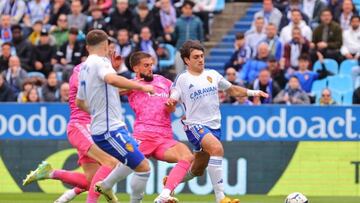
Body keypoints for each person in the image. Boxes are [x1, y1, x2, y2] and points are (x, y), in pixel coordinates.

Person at [167, 40, 268, 203]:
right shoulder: (183, 79)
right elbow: (174, 94)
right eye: (196, 57)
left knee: (198, 170)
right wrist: (171, 101)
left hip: (214, 127)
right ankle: (220, 198)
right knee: (217, 149)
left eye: (202, 56)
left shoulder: (212, 75)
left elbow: (233, 90)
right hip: (195, 125)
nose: (201, 60)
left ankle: (170, 183)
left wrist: (254, 92)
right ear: (187, 60)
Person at [97, 51, 194, 202]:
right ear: (136, 68)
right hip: (143, 135)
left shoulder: (163, 81)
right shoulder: (132, 85)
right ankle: (108, 185)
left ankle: (164, 195)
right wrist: (112, 69)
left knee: (187, 156)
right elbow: (108, 90)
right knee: (138, 166)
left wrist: (178, 108)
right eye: (146, 65)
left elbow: (177, 98)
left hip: (165, 138)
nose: (150, 68)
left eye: (151, 65)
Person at [76, 29, 155, 202]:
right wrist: (141, 87)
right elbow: (112, 80)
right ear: (105, 45)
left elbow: (79, 102)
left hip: (109, 126)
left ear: (87, 46)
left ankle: (105, 185)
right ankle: (109, 188)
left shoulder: (84, 67)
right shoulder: (100, 62)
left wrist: (97, 112)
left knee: (136, 159)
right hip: (108, 130)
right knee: (144, 167)